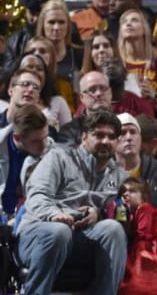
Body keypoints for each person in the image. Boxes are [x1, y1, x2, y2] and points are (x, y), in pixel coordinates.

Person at [17, 108, 128, 294]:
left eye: (111, 137)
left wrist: (98, 213)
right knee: (59, 230)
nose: (105, 141)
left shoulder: (118, 175)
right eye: (98, 135)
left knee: (112, 229)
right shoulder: (58, 157)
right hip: (39, 233)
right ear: (84, 137)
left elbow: (118, 211)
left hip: (79, 239)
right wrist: (54, 214)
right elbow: (37, 195)